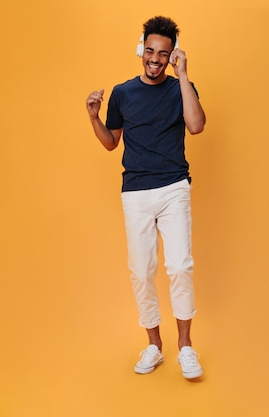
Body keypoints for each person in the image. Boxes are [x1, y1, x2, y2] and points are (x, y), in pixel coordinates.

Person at [85, 16, 206, 379]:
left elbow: (197, 126)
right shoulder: (123, 93)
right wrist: (93, 118)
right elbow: (111, 143)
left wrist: (183, 75)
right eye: (150, 51)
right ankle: (154, 344)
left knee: (180, 265)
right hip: (135, 191)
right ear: (142, 49)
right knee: (141, 271)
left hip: (173, 187)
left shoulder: (180, 87)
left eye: (164, 54)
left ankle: (186, 347)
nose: (155, 58)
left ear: (172, 56)